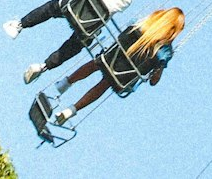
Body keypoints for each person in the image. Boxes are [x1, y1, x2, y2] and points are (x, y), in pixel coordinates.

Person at [4, 0, 143, 84]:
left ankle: (20, 25)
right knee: (76, 45)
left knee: (52, 7)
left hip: (74, 10)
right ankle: (44, 66)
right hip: (88, 27)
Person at [51, 8, 184, 125]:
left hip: (110, 58)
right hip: (122, 77)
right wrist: (159, 67)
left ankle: (65, 83)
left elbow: (122, 36)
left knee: (96, 64)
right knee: (105, 83)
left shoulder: (144, 23)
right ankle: (72, 110)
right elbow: (154, 81)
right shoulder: (166, 51)